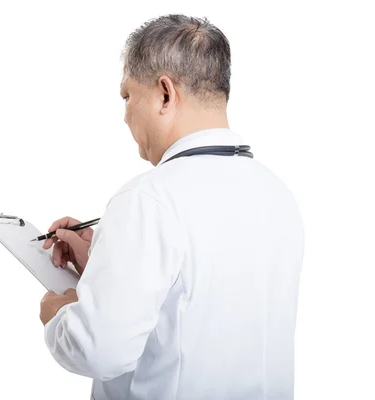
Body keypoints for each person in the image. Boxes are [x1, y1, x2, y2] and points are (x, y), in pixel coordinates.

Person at [39, 14, 304, 400]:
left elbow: (99, 350)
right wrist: (105, 267)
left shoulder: (148, 200)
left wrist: (60, 313)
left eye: (128, 96)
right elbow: (201, 308)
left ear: (165, 93)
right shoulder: (277, 194)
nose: (125, 115)